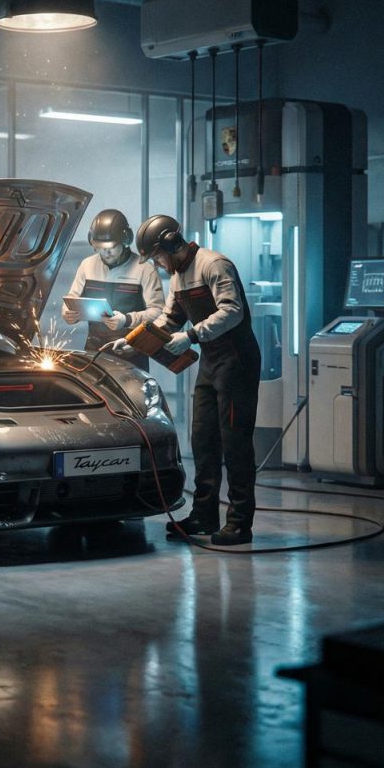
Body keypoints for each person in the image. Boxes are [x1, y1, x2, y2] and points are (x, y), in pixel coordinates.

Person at [115, 214, 261, 546]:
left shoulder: (215, 265)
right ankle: (204, 515)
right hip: (211, 362)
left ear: (170, 244)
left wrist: (192, 335)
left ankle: (239, 523)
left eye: (156, 257)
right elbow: (169, 319)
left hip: (236, 362)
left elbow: (232, 311)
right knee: (203, 439)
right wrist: (131, 340)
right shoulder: (178, 277)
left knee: (235, 442)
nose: (157, 264)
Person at [62, 208, 165, 370]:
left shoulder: (145, 269)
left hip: (131, 349)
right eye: (100, 247)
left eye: (111, 246)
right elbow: (72, 297)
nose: (106, 252)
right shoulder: (87, 265)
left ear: (125, 240)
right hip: (94, 351)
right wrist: (68, 313)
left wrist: (127, 320)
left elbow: (158, 312)